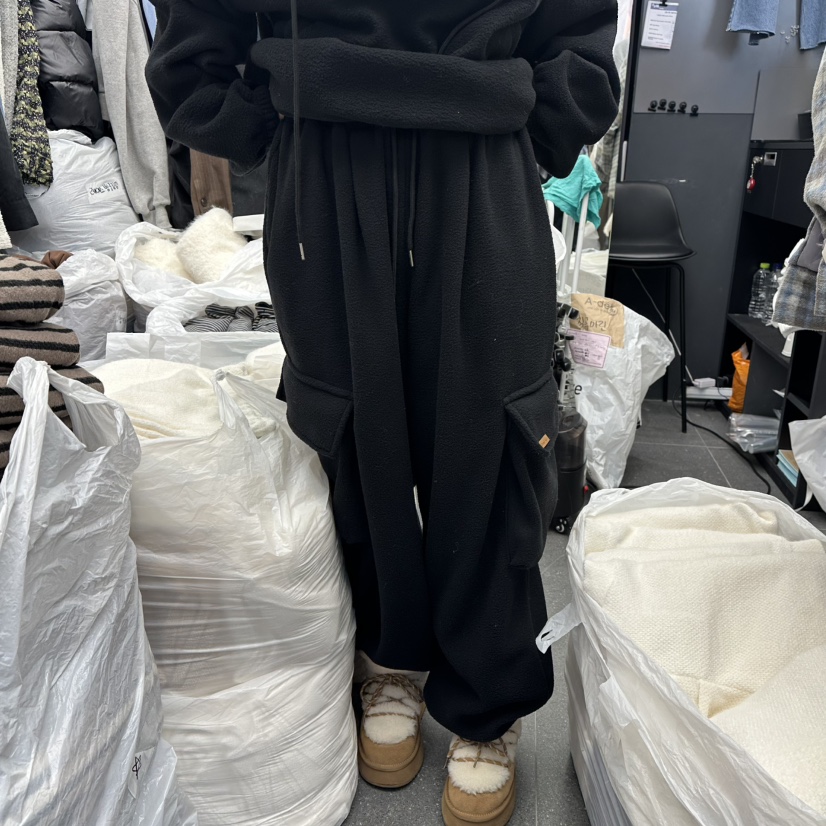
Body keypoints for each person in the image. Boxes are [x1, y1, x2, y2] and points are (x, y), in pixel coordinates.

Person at [146, 2, 619, 823]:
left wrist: (519, 125)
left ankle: (486, 695)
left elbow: (579, 45)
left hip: (480, 164)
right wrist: (285, 116)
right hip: (327, 172)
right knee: (355, 433)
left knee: (493, 438)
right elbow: (190, 58)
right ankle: (387, 655)